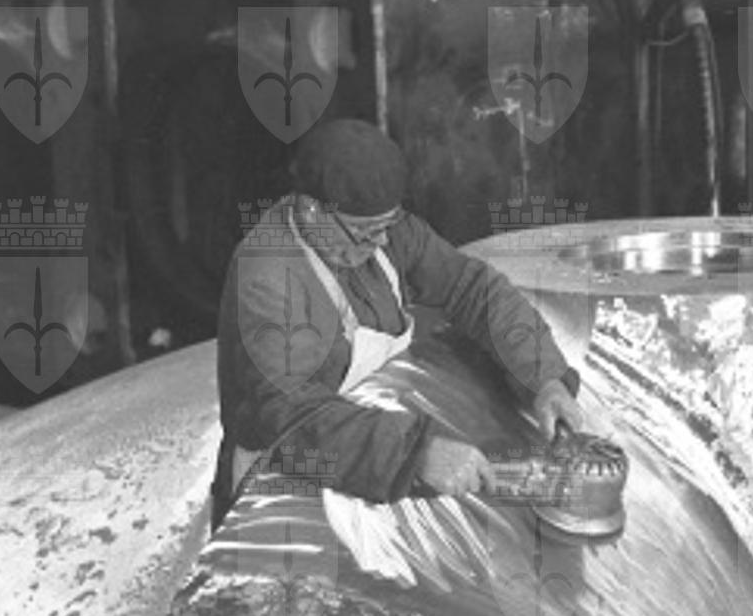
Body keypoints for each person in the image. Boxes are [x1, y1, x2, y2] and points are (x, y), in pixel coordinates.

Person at [213, 119, 584, 526]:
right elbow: (287, 413)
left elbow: (475, 289)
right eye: (365, 232)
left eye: (387, 226)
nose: (383, 243)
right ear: (310, 210)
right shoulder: (269, 276)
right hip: (284, 487)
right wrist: (413, 453)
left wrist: (544, 377)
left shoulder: (386, 234)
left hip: (367, 463)